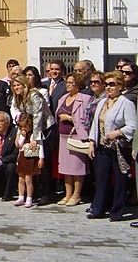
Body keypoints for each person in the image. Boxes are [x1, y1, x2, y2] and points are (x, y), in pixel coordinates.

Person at [88, 71, 136, 221]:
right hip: (102, 146)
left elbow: (132, 126)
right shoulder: (103, 102)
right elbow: (96, 123)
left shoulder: (126, 103)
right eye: (107, 84)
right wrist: (92, 142)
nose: (108, 88)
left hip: (118, 148)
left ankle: (117, 211)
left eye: (112, 84)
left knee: (120, 180)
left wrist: (117, 132)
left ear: (120, 86)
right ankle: (98, 208)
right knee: (101, 178)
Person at [11, 75, 56, 206]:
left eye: (18, 85)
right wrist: (19, 134)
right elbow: (22, 117)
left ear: (25, 85)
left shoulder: (34, 95)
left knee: (42, 162)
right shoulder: (19, 98)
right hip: (30, 128)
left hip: (45, 128)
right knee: (30, 162)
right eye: (14, 85)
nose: (16, 88)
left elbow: (38, 116)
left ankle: (46, 193)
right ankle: (31, 193)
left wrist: (35, 138)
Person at [55, 73, 91, 206]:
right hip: (63, 136)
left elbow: (86, 119)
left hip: (76, 136)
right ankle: (67, 194)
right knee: (65, 168)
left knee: (77, 168)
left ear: (78, 84)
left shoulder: (85, 98)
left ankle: (77, 194)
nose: (68, 85)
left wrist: (69, 118)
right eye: (67, 82)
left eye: (71, 82)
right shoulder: (63, 98)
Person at [14, 113, 44, 208]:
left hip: (31, 158)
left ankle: (29, 198)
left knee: (28, 179)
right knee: (21, 179)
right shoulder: (21, 133)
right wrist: (22, 136)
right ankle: (21, 197)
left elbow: (41, 145)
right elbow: (19, 145)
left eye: (25, 127)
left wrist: (41, 158)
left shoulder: (35, 134)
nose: (24, 129)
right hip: (22, 156)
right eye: (21, 127)